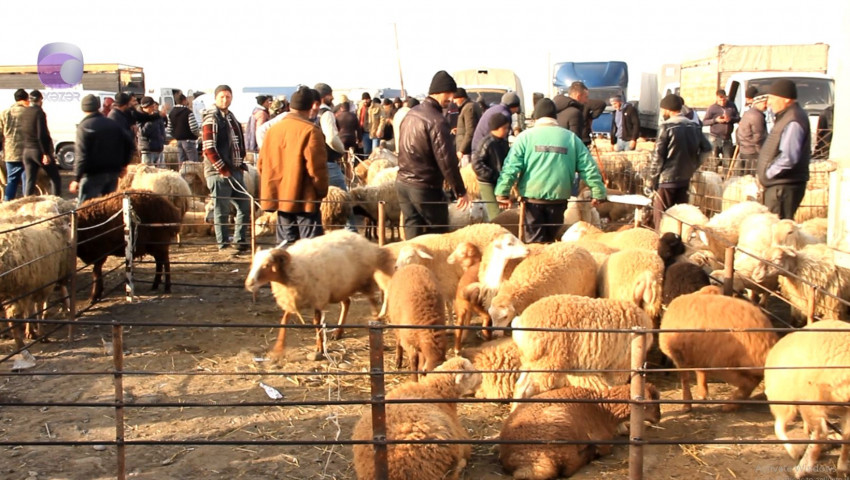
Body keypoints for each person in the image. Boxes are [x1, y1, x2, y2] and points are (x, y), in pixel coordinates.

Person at [495, 98, 607, 243]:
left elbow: (510, 167)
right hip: (559, 199)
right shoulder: (571, 139)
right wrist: (598, 192)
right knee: (551, 239)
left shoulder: (525, 138)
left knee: (535, 243)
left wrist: (502, 193)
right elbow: (589, 167)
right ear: (555, 117)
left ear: (536, 117)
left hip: (532, 198)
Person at [396, 70, 469, 239]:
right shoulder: (436, 120)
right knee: (438, 234)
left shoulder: (412, 114)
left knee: (412, 232)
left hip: (403, 182)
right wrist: (460, 191)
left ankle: (413, 265)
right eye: (449, 93)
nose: (451, 98)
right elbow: (447, 161)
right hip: (424, 185)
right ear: (438, 91)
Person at [258, 86, 328, 243]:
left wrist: (274, 187)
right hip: (305, 199)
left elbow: (261, 164)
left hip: (280, 198)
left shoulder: (273, 130)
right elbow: (317, 170)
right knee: (310, 249)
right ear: (311, 106)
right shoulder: (310, 131)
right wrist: (321, 191)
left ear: (290, 105)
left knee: (285, 247)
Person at [648, 94, 712, 229]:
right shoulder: (694, 126)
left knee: (662, 216)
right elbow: (707, 148)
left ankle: (661, 240)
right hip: (684, 178)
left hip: (666, 180)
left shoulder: (666, 127)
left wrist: (651, 180)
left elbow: (658, 157)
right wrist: (694, 165)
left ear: (667, 109)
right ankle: (678, 243)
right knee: (680, 217)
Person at [201, 85, 251, 253]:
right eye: (222, 97)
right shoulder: (212, 119)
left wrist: (239, 163)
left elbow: (237, 142)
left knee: (244, 206)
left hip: (235, 169)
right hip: (219, 173)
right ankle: (223, 245)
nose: (225, 100)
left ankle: (239, 240)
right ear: (215, 98)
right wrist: (222, 168)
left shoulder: (230, 117)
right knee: (221, 210)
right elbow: (209, 148)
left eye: (228, 97)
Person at [756, 79, 811, 220]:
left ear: (786, 100)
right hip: (779, 186)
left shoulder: (793, 120)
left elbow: (789, 157)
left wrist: (768, 174)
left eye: (773, 98)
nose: (769, 102)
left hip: (783, 188)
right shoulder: (786, 117)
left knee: (779, 231)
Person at [70, 94, 134, 203]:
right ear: (98, 107)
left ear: (83, 108)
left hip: (93, 174)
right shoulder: (112, 123)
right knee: (108, 207)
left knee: (86, 208)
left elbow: (81, 155)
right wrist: (124, 165)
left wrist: (76, 178)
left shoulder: (84, 126)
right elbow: (129, 144)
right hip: (113, 172)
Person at [20, 90, 61, 196]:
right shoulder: (39, 113)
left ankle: (27, 203)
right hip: (37, 150)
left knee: (30, 180)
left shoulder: (25, 112)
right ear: (40, 100)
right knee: (55, 178)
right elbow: (41, 134)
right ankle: (57, 202)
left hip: (26, 151)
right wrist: (45, 153)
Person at [472, 113, 511, 220]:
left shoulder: (503, 143)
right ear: (496, 128)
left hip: (499, 180)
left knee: (502, 210)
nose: (507, 130)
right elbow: (476, 163)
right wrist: (491, 174)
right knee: (494, 212)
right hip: (487, 183)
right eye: (505, 128)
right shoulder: (487, 143)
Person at [553, 81, 606, 147]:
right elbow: (575, 142)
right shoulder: (575, 112)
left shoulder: (555, 108)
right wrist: (591, 117)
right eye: (586, 97)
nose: (587, 101)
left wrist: (589, 116)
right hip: (576, 146)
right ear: (578, 96)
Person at [0, 89, 30, 201]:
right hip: (27, 152)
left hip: (10, 152)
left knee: (11, 180)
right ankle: (26, 203)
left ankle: (8, 204)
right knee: (26, 179)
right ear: (26, 99)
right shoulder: (29, 113)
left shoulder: (4, 113)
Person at [702, 88, 740, 159]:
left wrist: (730, 119)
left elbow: (738, 118)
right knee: (714, 160)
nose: (722, 102)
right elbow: (704, 122)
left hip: (727, 138)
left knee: (727, 159)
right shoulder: (712, 108)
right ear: (716, 98)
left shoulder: (731, 106)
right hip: (715, 138)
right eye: (720, 100)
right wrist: (715, 120)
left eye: (724, 100)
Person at [735, 93, 767, 171]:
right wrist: (762, 153)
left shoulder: (748, 113)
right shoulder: (757, 116)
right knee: (752, 179)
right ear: (758, 103)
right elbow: (758, 137)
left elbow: (738, 132)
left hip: (745, 150)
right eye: (765, 103)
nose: (766, 105)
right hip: (753, 152)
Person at [166, 93, 200, 164]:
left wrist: (176, 136)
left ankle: (182, 175)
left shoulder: (171, 113)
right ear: (184, 100)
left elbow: (169, 129)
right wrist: (198, 135)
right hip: (189, 141)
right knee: (193, 163)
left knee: (182, 163)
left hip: (178, 141)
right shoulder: (188, 112)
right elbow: (194, 128)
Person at [453, 87, 482, 167]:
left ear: (461, 97)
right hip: (469, 149)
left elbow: (470, 131)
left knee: (467, 176)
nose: (454, 101)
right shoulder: (472, 105)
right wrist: (459, 130)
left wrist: (462, 150)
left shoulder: (468, 108)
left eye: (455, 99)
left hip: (467, 151)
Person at [138, 97, 166, 166]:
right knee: (148, 173)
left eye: (153, 106)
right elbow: (142, 132)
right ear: (144, 107)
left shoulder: (156, 115)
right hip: (147, 150)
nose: (153, 108)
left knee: (161, 173)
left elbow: (162, 129)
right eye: (151, 107)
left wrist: (162, 139)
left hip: (159, 149)